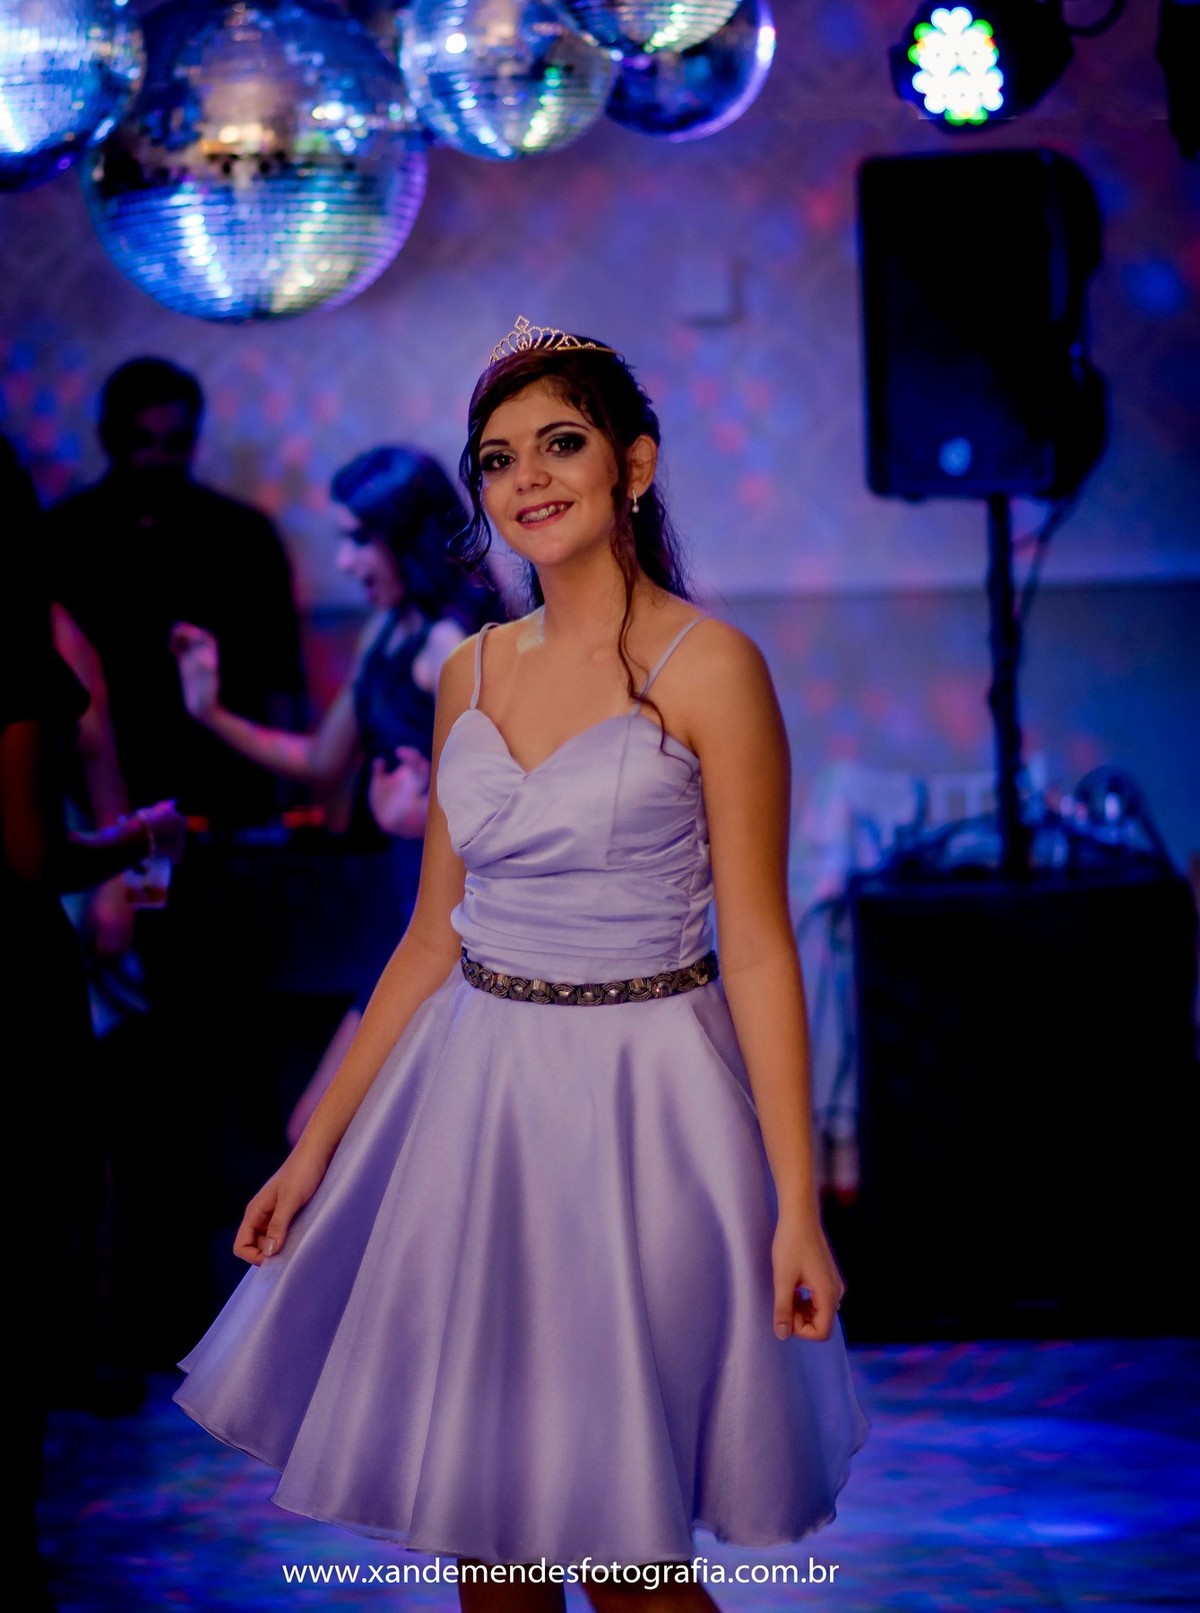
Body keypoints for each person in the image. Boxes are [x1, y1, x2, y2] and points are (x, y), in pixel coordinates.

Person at [172, 322, 868, 1611]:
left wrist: (796, 1203)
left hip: (645, 1106)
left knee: (627, 1564)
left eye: (560, 442)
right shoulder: (471, 667)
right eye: (497, 458)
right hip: (477, 1100)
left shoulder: (712, 665)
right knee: (491, 1549)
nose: (527, 478)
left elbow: (764, 950)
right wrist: (314, 1150)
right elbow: (432, 933)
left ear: (632, 465)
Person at [169, 447, 506, 1139]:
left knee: (336, 1138)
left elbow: (513, 800)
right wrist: (210, 711)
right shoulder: (387, 630)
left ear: (407, 538)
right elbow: (323, 760)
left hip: (456, 926)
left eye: (358, 540)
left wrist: (423, 820)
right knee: (333, 1139)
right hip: (400, 917)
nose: (346, 563)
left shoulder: (453, 646)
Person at [1, 436, 187, 1610]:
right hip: (14, 971)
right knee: (40, 1216)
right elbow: (29, 852)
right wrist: (128, 846)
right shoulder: (20, 639)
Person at [44, 356, 308, 828]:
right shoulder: (63, 537)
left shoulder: (243, 535)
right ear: (108, 438)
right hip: (103, 793)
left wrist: (288, 798)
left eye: (176, 443)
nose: (158, 459)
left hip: (227, 788)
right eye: (140, 441)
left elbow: (281, 675)